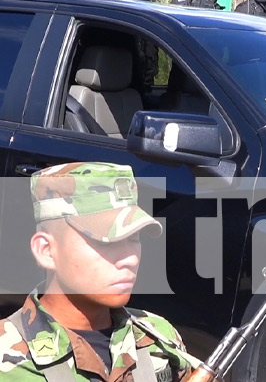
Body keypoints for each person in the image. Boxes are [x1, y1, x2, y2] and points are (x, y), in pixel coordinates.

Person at [0, 162, 196, 382]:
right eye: (106, 243)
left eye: (134, 239)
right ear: (46, 250)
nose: (130, 258)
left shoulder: (157, 336)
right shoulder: (6, 355)